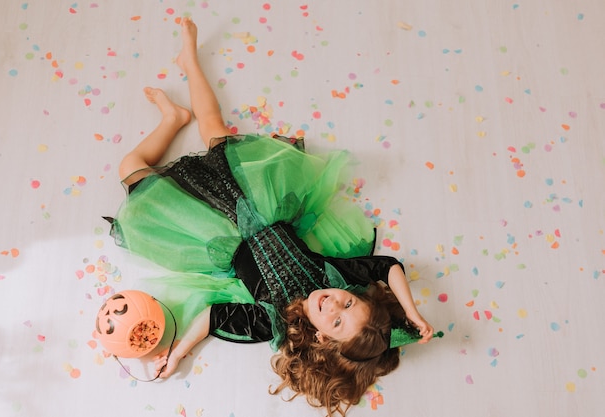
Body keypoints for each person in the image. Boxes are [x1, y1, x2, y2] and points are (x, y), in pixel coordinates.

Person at [109, 17, 435, 417]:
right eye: (348, 304)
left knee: (130, 168)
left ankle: (171, 120)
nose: (333, 305)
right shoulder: (334, 274)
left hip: (213, 232)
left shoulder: (274, 323)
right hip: (259, 199)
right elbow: (388, 267)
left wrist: (175, 356)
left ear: (320, 339)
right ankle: (190, 64)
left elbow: (212, 318)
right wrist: (413, 313)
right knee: (215, 130)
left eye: (334, 321)